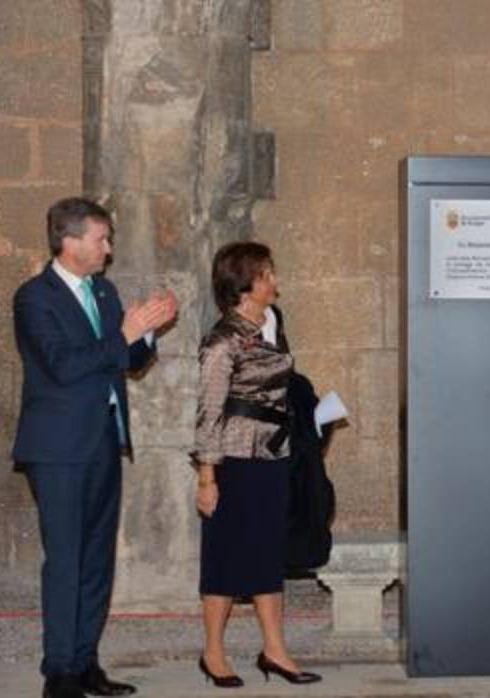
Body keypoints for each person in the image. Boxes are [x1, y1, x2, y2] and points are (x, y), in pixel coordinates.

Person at [12, 197, 177, 698]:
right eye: (102, 239)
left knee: (96, 561)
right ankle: (59, 671)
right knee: (65, 559)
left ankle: (85, 663)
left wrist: (145, 333)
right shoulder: (34, 297)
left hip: (105, 440)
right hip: (58, 448)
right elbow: (63, 365)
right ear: (71, 240)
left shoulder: (102, 292)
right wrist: (124, 333)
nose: (109, 249)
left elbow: (123, 361)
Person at [192, 242, 320, 688]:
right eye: (267, 275)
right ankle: (212, 653)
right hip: (234, 459)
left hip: (274, 456)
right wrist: (207, 477)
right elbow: (209, 413)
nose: (275, 282)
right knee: (225, 555)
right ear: (246, 285)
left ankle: (275, 650)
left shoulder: (272, 323)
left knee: (269, 553)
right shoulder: (221, 340)